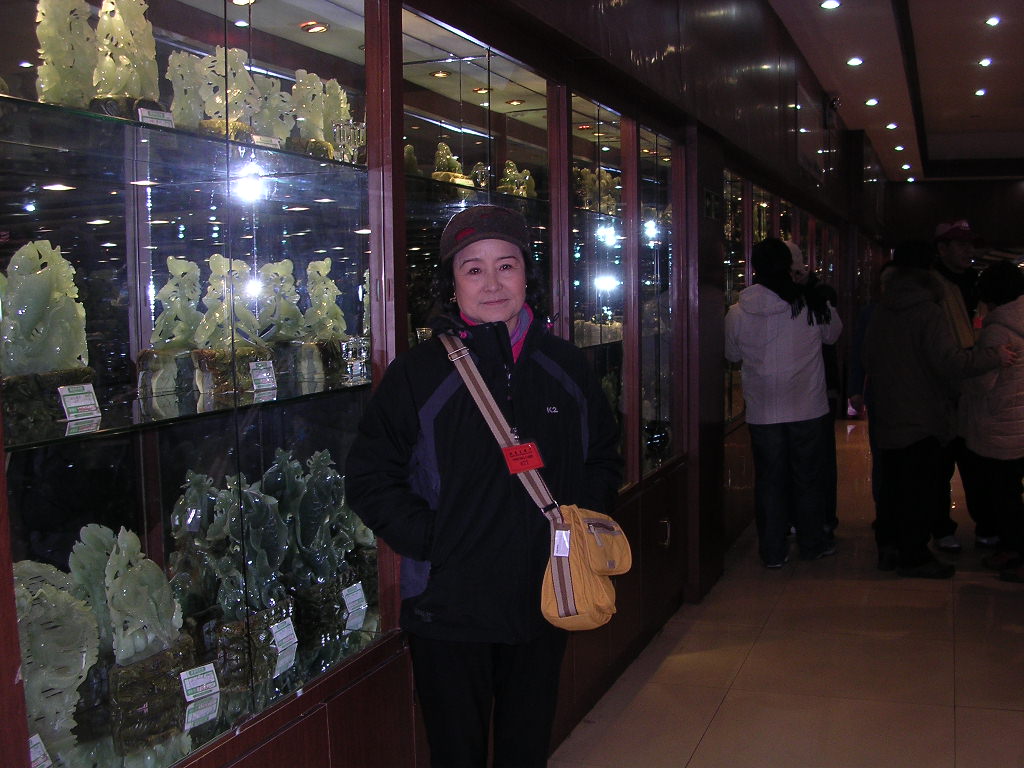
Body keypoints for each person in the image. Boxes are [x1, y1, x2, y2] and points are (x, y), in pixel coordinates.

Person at [345, 204, 622, 767]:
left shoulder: (566, 366)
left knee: (527, 747)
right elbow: (370, 477)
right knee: (457, 754)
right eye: (473, 269)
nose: (492, 283)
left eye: (506, 266)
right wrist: (435, 540)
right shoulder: (418, 373)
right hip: (448, 605)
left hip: (547, 593)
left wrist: (573, 529)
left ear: (527, 276)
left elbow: (603, 458)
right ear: (452, 284)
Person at [863, 241, 1014, 579]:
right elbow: (949, 362)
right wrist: (993, 357)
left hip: (889, 410)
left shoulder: (882, 308)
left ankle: (889, 547)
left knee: (893, 484)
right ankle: (914, 556)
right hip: (922, 413)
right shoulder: (929, 311)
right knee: (920, 488)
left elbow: (868, 356)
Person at [725, 237, 842, 568]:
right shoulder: (810, 304)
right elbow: (833, 334)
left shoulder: (738, 312)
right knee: (808, 479)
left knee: (769, 482)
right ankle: (812, 543)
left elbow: (731, 354)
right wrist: (812, 286)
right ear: (790, 266)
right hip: (808, 406)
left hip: (763, 410)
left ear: (755, 268)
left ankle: (773, 552)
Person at [957, 260, 1024, 582]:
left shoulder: (997, 330)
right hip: (1020, 419)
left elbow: (982, 384)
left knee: (1004, 493)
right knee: (1011, 490)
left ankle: (1013, 549)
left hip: (1001, 424)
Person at [930, 219, 992, 553]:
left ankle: (985, 524)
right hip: (943, 390)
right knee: (941, 466)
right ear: (942, 249)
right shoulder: (933, 287)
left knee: (977, 463)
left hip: (974, 388)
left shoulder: (975, 285)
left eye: (971, 244)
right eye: (961, 244)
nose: (969, 250)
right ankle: (942, 528)